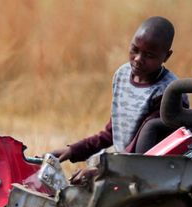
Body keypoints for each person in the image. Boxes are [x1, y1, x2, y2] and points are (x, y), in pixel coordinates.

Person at [51, 16, 180, 166]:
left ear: (167, 56)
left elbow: (146, 148)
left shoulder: (169, 92)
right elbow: (113, 133)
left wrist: (102, 170)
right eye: (134, 49)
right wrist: (74, 150)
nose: (138, 59)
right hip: (124, 163)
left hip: (151, 169)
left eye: (149, 55)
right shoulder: (122, 75)